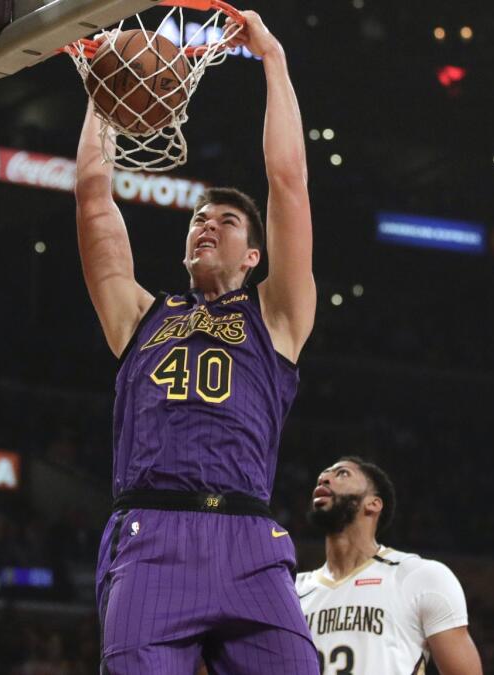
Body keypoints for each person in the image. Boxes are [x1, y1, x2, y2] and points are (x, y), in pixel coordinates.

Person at [74, 10, 318, 674]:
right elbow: (95, 200)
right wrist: (103, 94)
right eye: (198, 218)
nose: (207, 225)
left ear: (254, 253)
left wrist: (273, 58)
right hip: (152, 532)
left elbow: (288, 184)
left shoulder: (278, 315)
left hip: (250, 536)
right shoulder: (139, 314)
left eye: (227, 219)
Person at [297, 458, 483, 674]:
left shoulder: (419, 576)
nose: (324, 478)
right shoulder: (291, 591)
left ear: (373, 504)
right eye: (323, 475)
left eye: (342, 473)